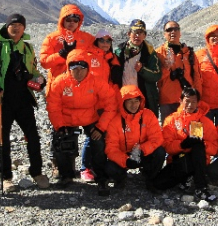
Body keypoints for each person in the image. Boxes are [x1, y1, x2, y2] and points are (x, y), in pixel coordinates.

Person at [0, 13, 49, 192]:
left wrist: (40, 79)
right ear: (7, 26)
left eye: (20, 25)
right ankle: (5, 177)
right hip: (2, 101)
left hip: (24, 99)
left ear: (24, 28)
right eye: (13, 24)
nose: (16, 28)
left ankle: (37, 172)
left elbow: (33, 69)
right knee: (2, 140)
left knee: (33, 137)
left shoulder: (27, 48)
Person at [46, 49, 117, 187]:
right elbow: (53, 107)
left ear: (88, 68)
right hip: (66, 118)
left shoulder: (97, 81)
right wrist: (60, 126)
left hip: (89, 116)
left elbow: (111, 104)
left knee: (99, 140)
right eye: (74, 68)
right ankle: (66, 174)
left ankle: (99, 174)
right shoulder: (59, 82)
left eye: (82, 68)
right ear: (68, 68)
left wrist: (100, 127)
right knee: (60, 140)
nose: (79, 72)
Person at [151, 87, 218, 201]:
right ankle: (187, 179)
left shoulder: (205, 122)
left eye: (194, 101)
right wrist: (183, 144)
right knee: (158, 184)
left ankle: (201, 188)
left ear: (198, 102)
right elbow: (167, 146)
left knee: (197, 146)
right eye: (187, 101)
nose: (190, 105)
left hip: (199, 162)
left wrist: (202, 145)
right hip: (179, 160)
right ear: (180, 101)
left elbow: (214, 149)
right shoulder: (171, 120)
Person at [100, 86, 166, 196]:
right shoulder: (115, 121)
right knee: (109, 167)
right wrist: (125, 160)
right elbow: (111, 148)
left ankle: (150, 178)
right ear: (122, 102)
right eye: (129, 101)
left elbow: (157, 138)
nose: (134, 105)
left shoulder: (148, 115)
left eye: (136, 101)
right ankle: (121, 178)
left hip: (142, 153)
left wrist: (142, 150)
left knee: (160, 152)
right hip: (125, 155)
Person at [79, 29, 122, 182]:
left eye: (108, 40)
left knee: (104, 136)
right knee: (93, 136)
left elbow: (116, 84)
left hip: (109, 104)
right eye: (102, 40)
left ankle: (99, 167)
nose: (105, 43)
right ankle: (85, 168)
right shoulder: (89, 57)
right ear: (96, 41)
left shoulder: (113, 59)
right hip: (93, 103)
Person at [40, 4, 95, 94]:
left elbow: (100, 51)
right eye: (68, 20)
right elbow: (44, 63)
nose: (72, 23)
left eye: (75, 20)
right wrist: (61, 55)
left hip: (81, 84)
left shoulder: (87, 38)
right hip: (57, 85)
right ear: (62, 21)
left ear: (79, 22)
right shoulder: (52, 38)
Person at [155, 21, 202, 123]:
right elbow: (156, 78)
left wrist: (198, 98)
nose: (173, 32)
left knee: (193, 132)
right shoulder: (158, 53)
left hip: (189, 101)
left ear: (180, 33)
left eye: (176, 29)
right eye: (169, 30)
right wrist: (167, 68)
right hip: (167, 101)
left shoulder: (189, 53)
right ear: (164, 34)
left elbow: (197, 76)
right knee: (168, 131)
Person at [115, 19, 162, 116]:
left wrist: (142, 70)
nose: (138, 36)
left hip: (143, 97)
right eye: (135, 32)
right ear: (129, 34)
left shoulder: (150, 53)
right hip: (123, 95)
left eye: (141, 33)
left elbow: (157, 75)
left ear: (144, 36)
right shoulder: (119, 52)